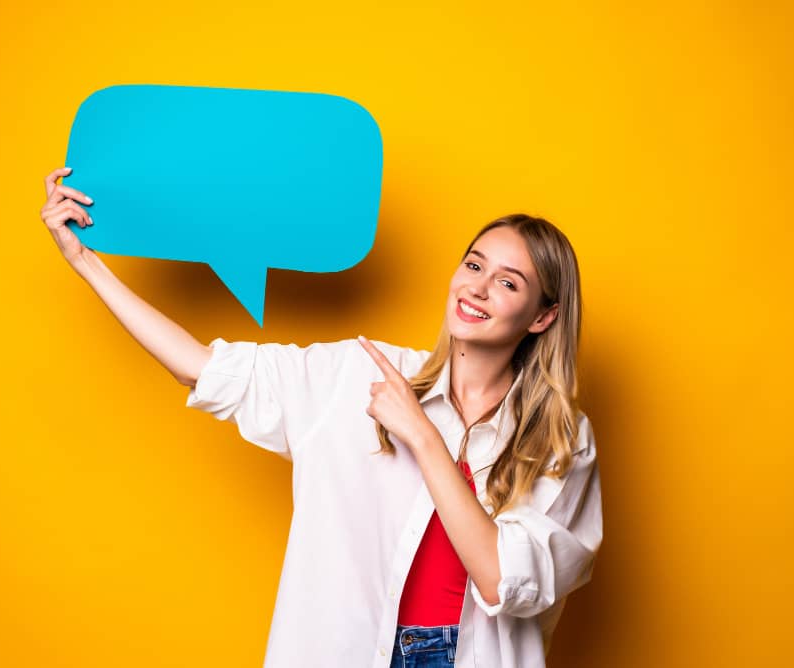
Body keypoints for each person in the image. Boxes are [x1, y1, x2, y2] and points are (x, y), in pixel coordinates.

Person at [39, 166, 603, 668]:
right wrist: (85, 262)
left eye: (508, 282)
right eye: (474, 264)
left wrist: (423, 437)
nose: (477, 287)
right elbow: (200, 368)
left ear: (542, 316)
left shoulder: (561, 441)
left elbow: (506, 580)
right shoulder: (353, 377)